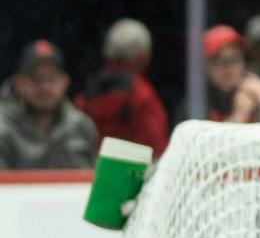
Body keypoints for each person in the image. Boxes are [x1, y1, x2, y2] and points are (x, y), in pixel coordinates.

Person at [75, 17, 170, 158]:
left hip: (93, 173)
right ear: (143, 56)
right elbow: (156, 150)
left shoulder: (86, 93)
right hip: (132, 174)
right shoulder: (142, 95)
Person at [0, 40, 98, 169]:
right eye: (36, 79)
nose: (45, 87)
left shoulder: (81, 126)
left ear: (65, 82)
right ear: (18, 83)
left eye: (52, 78)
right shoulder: (3, 128)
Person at [203, 26, 260, 124]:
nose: (228, 69)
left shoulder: (254, 91)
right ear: (206, 65)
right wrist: (239, 116)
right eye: (219, 60)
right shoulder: (197, 101)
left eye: (235, 59)